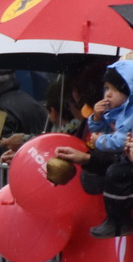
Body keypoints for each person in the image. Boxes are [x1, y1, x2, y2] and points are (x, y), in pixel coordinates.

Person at [56, 60, 133, 237]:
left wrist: (99, 141)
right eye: (105, 88)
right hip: (122, 157)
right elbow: (101, 130)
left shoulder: (129, 114)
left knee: (115, 174)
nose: (107, 94)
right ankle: (114, 220)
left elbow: (119, 140)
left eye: (113, 89)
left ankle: (119, 221)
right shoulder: (116, 111)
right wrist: (96, 117)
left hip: (124, 161)